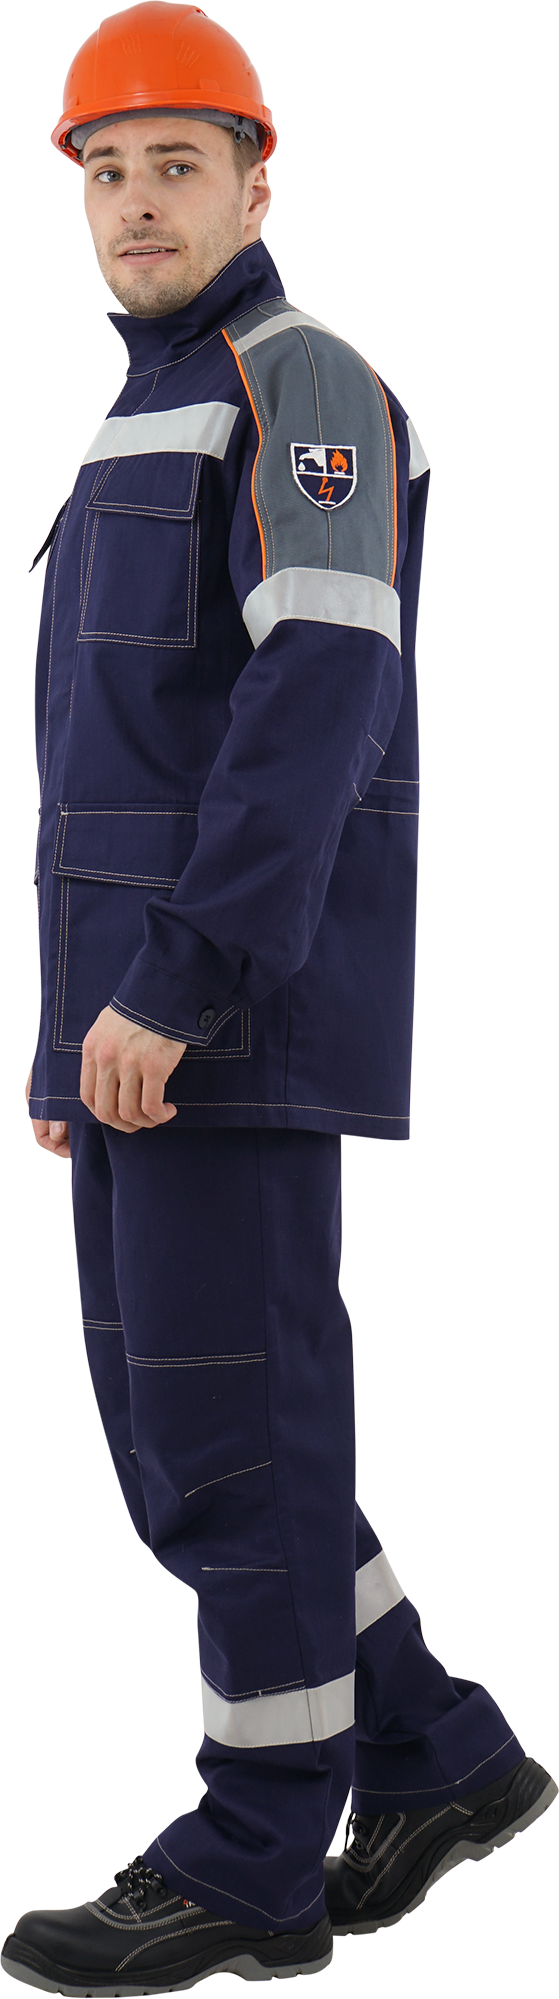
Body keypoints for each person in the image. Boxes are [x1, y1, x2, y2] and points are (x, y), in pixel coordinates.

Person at [2, 5, 556, 1993]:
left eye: (177, 163)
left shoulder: (296, 382)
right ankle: (437, 1753)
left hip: (221, 1015)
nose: (137, 201)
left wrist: (178, 985)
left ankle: (254, 1851)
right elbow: (117, 764)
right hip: (142, 1029)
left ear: (254, 182)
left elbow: (317, 705)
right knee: (204, 1428)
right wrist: (74, 1031)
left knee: (227, 1440)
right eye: (106, 168)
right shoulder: (144, 407)